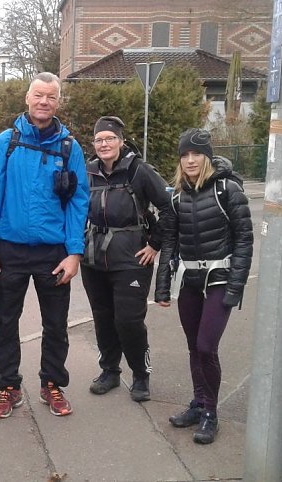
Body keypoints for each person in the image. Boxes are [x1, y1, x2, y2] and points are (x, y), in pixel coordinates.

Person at [0, 72, 90, 418]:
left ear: (58, 102)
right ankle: (8, 386)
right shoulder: (6, 143)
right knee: (5, 321)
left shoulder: (69, 147)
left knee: (56, 324)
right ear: (28, 99)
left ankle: (52, 384)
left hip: (53, 253)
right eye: (39, 95)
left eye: (51, 97)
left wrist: (74, 253)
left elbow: (79, 201)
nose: (44, 102)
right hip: (10, 248)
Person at [154, 128, 253, 445]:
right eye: (185, 155)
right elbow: (169, 242)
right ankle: (198, 404)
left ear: (208, 157)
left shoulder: (228, 190)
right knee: (193, 347)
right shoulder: (176, 196)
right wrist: (162, 286)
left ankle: (211, 412)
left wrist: (235, 287)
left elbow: (244, 242)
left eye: (196, 154)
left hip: (219, 281)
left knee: (207, 347)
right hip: (190, 283)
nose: (190, 160)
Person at [80, 116, 174, 402]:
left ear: (121, 141)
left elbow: (168, 209)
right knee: (103, 318)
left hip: (132, 260)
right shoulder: (89, 171)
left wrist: (155, 245)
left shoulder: (139, 171)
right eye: (99, 140)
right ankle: (110, 371)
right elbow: (74, 209)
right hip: (94, 260)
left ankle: (140, 375)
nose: (104, 144)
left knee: (129, 321)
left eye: (109, 138)